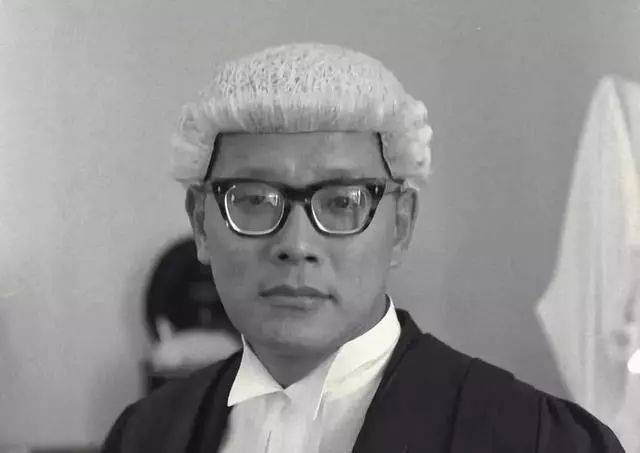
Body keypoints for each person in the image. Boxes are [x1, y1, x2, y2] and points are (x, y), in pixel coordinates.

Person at [101, 43, 624, 452]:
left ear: (400, 225)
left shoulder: (534, 439)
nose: (296, 244)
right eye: (254, 200)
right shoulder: (147, 436)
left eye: (342, 202)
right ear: (201, 223)